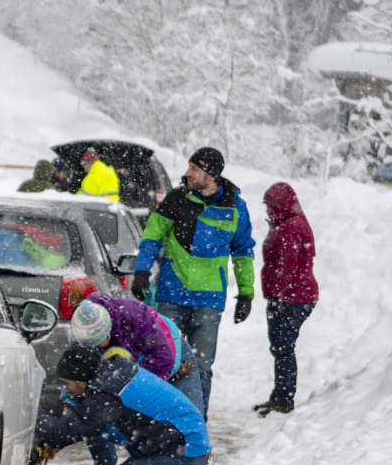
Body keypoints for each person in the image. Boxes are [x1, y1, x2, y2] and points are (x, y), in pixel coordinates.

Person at [131, 147, 255, 416]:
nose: (187, 173)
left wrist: (246, 293)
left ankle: (196, 423)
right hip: (171, 295)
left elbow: (243, 252)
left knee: (201, 368)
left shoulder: (235, 207)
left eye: (194, 169)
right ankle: (160, 421)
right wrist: (141, 271)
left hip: (209, 300)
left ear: (211, 175)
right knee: (163, 361)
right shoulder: (176, 199)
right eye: (189, 167)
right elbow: (152, 237)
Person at [40, 345, 215, 465]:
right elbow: (86, 428)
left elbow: (62, 430)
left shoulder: (107, 394)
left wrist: (34, 420)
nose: (67, 389)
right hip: (180, 448)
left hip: (183, 453)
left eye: (67, 383)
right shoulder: (112, 376)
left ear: (80, 379)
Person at [71, 296, 205, 416]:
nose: (93, 349)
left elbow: (164, 359)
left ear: (107, 333)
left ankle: (174, 375)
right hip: (139, 365)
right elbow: (74, 375)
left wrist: (116, 385)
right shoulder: (80, 331)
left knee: (191, 416)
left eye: (96, 344)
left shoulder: (135, 316)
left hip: (171, 351)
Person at [257, 182, 318, 415]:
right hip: (294, 295)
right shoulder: (289, 223)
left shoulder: (291, 227)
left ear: (280, 204)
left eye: (270, 205)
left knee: (283, 347)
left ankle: (283, 399)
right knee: (281, 347)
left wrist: (277, 297)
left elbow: (286, 266)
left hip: (294, 297)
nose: (267, 210)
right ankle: (280, 396)